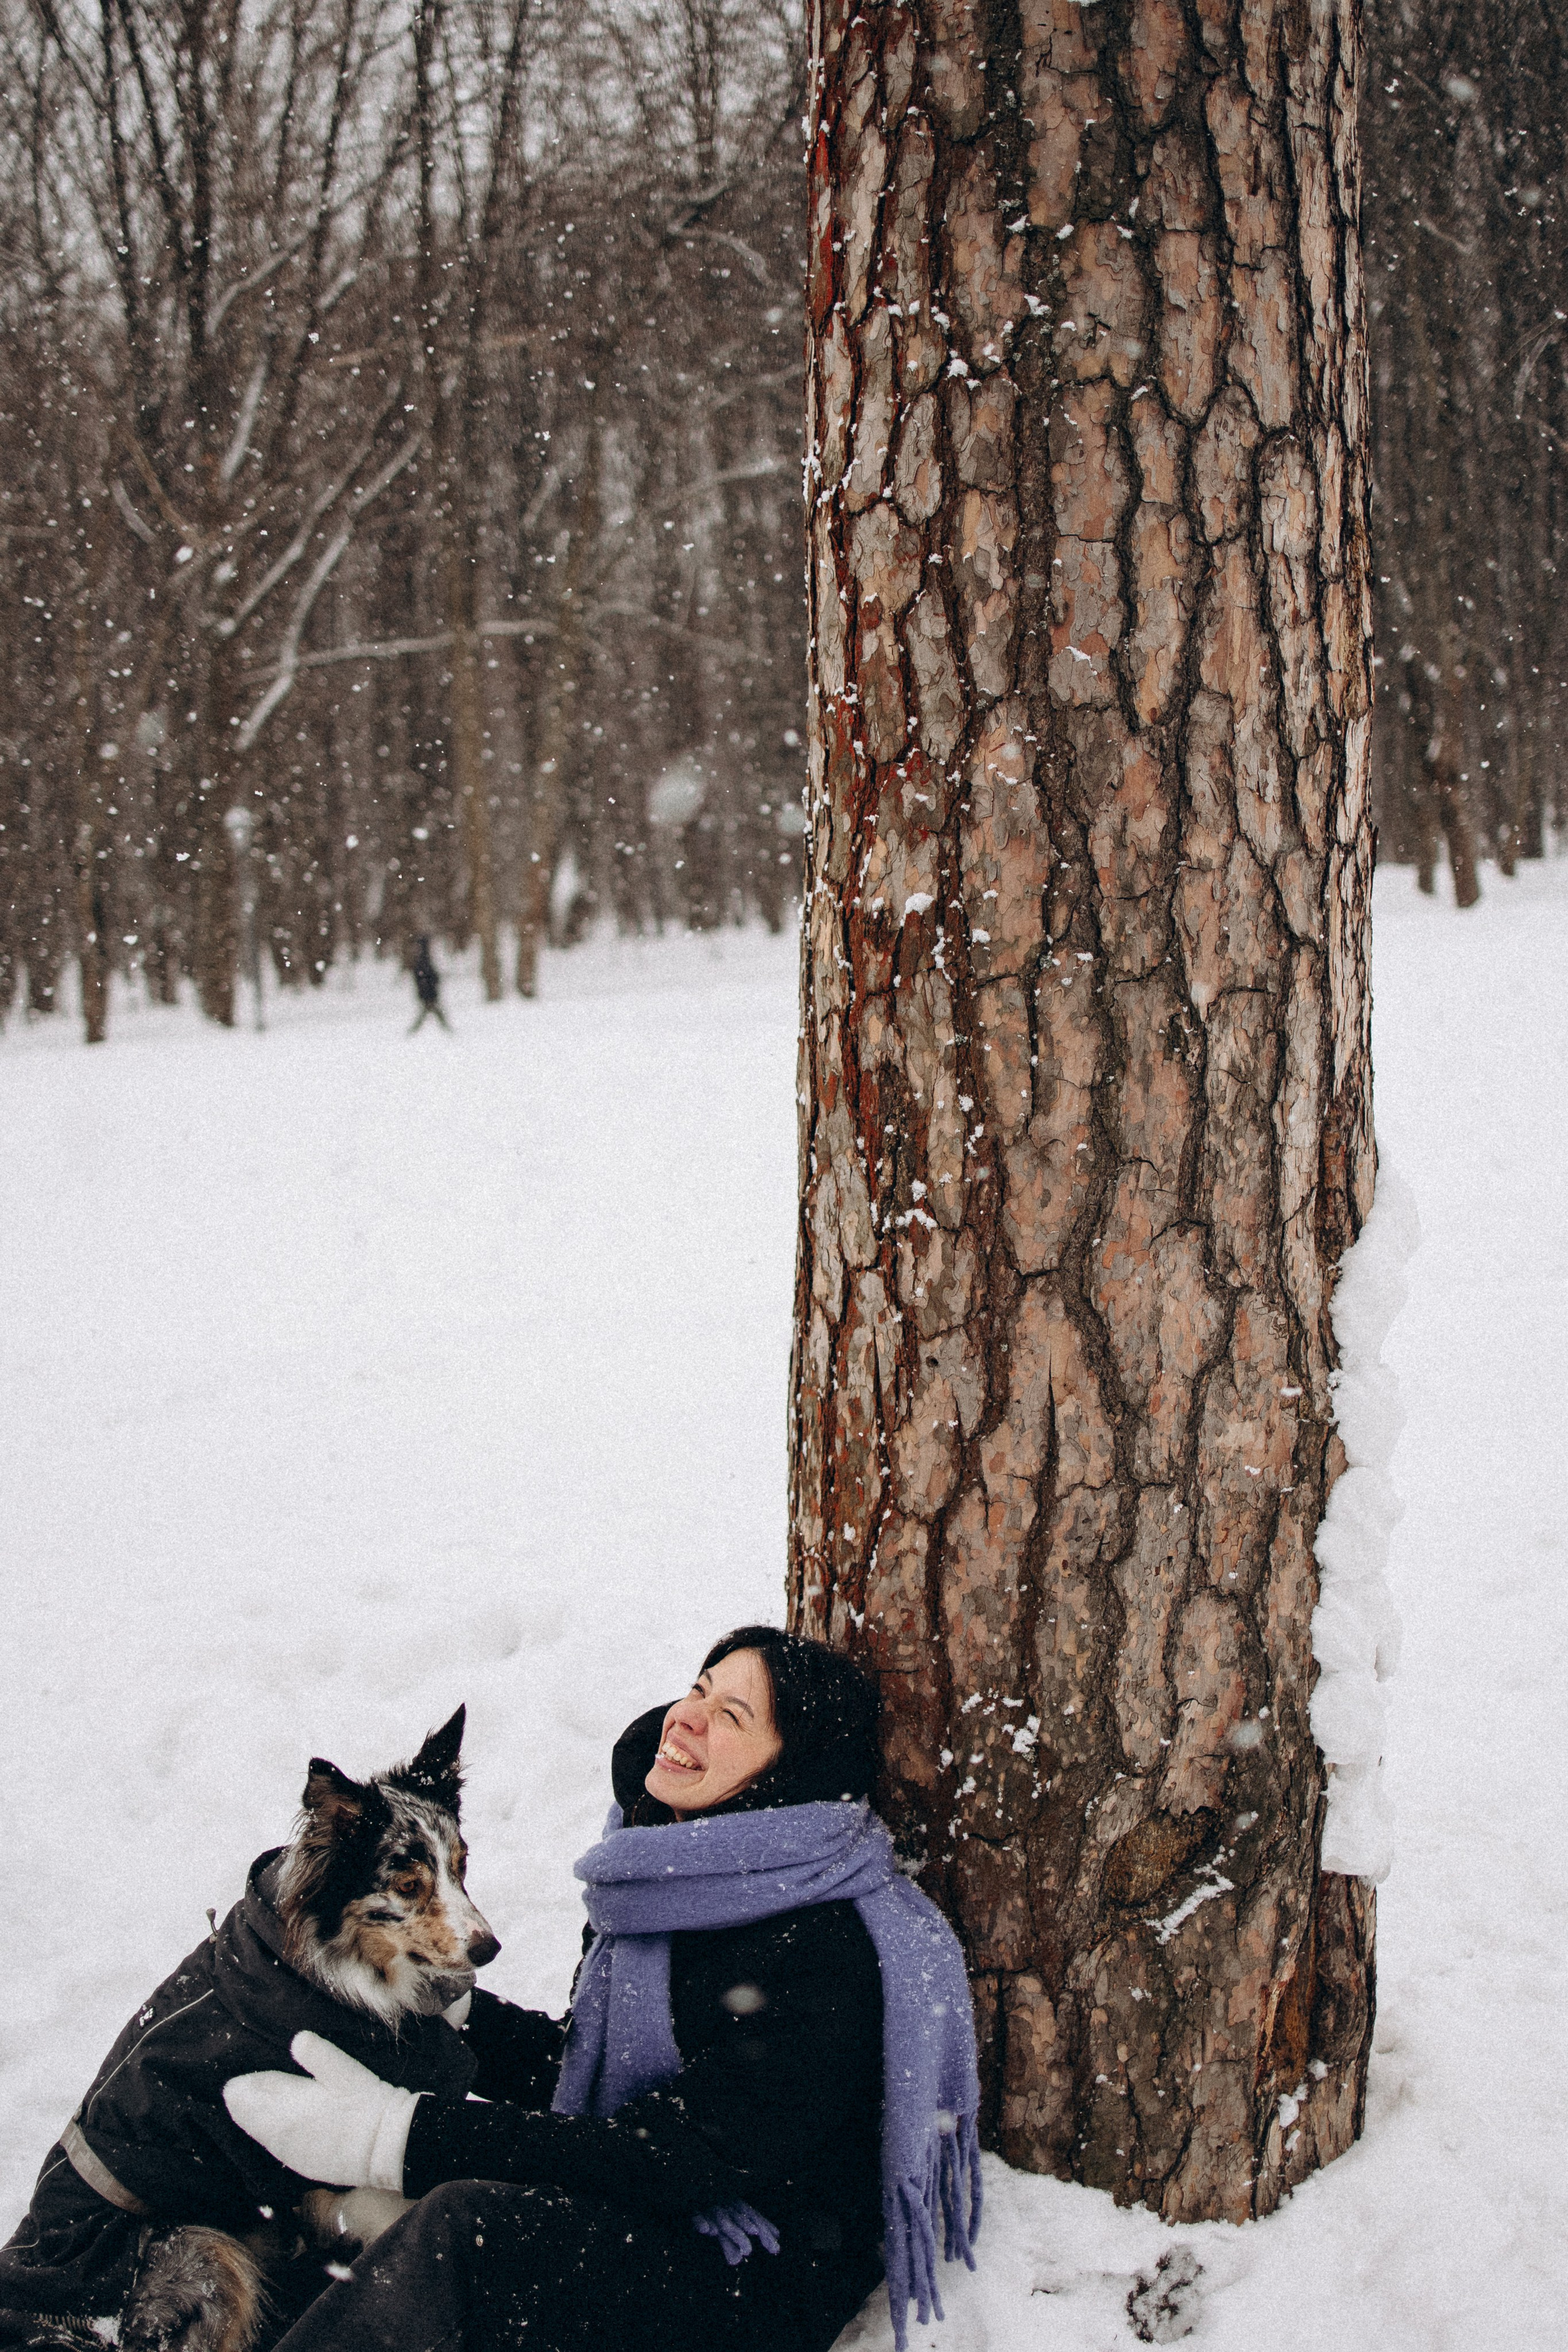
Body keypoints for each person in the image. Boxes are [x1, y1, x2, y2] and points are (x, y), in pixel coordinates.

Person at [225, 1627, 982, 2352]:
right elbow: (586, 2070)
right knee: (341, 2225)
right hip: (656, 2213)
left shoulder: (821, 1948)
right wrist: (458, 2012)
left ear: (787, 1774)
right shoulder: (662, 1875)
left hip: (749, 2274)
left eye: (731, 1716)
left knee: (465, 2228)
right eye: (699, 1688)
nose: (687, 1717)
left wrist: (396, 2136)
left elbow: (674, 2156)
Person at [408, 937, 450, 1033]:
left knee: (429, 1011)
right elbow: (429, 977)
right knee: (431, 1011)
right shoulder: (424, 960)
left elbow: (424, 977)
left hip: (426, 991)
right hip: (428, 991)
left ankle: (413, 1031)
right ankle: (447, 1030)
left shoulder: (420, 960)